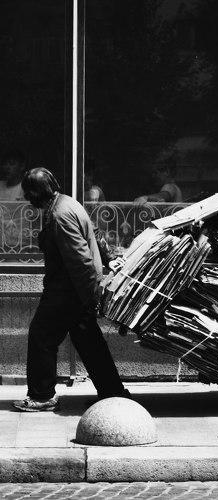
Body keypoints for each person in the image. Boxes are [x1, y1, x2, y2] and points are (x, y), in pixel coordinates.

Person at [12, 168, 128, 412]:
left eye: (28, 194)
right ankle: (113, 392)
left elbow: (81, 261)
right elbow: (95, 234)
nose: (26, 199)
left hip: (68, 291)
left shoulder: (59, 216)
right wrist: (108, 259)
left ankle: (42, 396)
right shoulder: (69, 203)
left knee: (41, 336)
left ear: (36, 193)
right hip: (77, 289)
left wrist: (91, 297)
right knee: (90, 342)